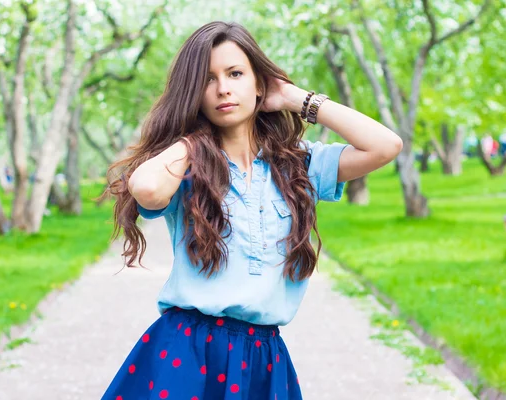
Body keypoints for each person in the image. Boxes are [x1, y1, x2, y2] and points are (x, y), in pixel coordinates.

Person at [100, 21, 403, 400]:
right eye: (207, 80)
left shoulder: (297, 164)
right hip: (188, 352)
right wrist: (193, 138)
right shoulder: (187, 165)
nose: (223, 87)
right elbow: (145, 187)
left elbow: (386, 145)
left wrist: (297, 99)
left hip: (264, 358)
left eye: (236, 73)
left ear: (259, 84)